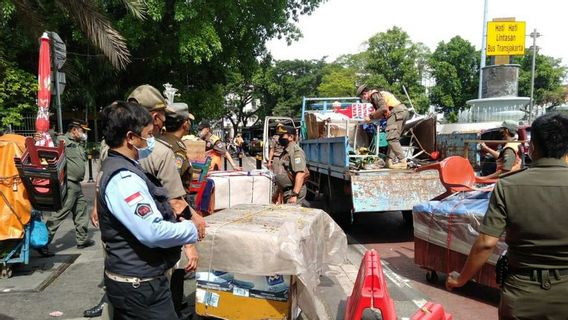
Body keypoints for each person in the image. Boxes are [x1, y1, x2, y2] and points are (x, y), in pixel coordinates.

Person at [446, 112, 568, 319]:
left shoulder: (508, 186)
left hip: (522, 293)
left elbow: (486, 243)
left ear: (532, 148)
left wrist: (461, 279)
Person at [97, 101, 199, 319]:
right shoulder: (124, 179)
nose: (151, 140)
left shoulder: (124, 167)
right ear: (131, 138)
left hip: (135, 282)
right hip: (140, 287)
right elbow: (152, 232)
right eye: (148, 135)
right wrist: (191, 229)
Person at [37, 120, 94, 257]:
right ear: (74, 130)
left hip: (77, 184)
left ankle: (82, 240)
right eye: (82, 131)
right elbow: (48, 142)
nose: (84, 134)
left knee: (81, 210)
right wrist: (44, 135)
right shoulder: (62, 140)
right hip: (68, 183)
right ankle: (43, 242)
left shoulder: (78, 143)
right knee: (61, 212)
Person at [356, 84, 409, 169]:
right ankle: (389, 161)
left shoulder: (374, 95)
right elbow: (383, 112)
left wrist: (370, 117)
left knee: (391, 138)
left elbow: (383, 108)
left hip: (396, 113)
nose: (364, 99)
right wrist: (371, 119)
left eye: (362, 97)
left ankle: (403, 162)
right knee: (394, 138)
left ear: (365, 93)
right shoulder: (378, 95)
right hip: (402, 111)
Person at [274, 126, 308, 204]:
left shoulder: (296, 151)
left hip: (292, 192)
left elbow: (301, 174)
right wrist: (277, 193)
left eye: (282, 136)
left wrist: (295, 194)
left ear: (291, 137)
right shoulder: (285, 152)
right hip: (287, 192)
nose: (279, 138)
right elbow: (283, 173)